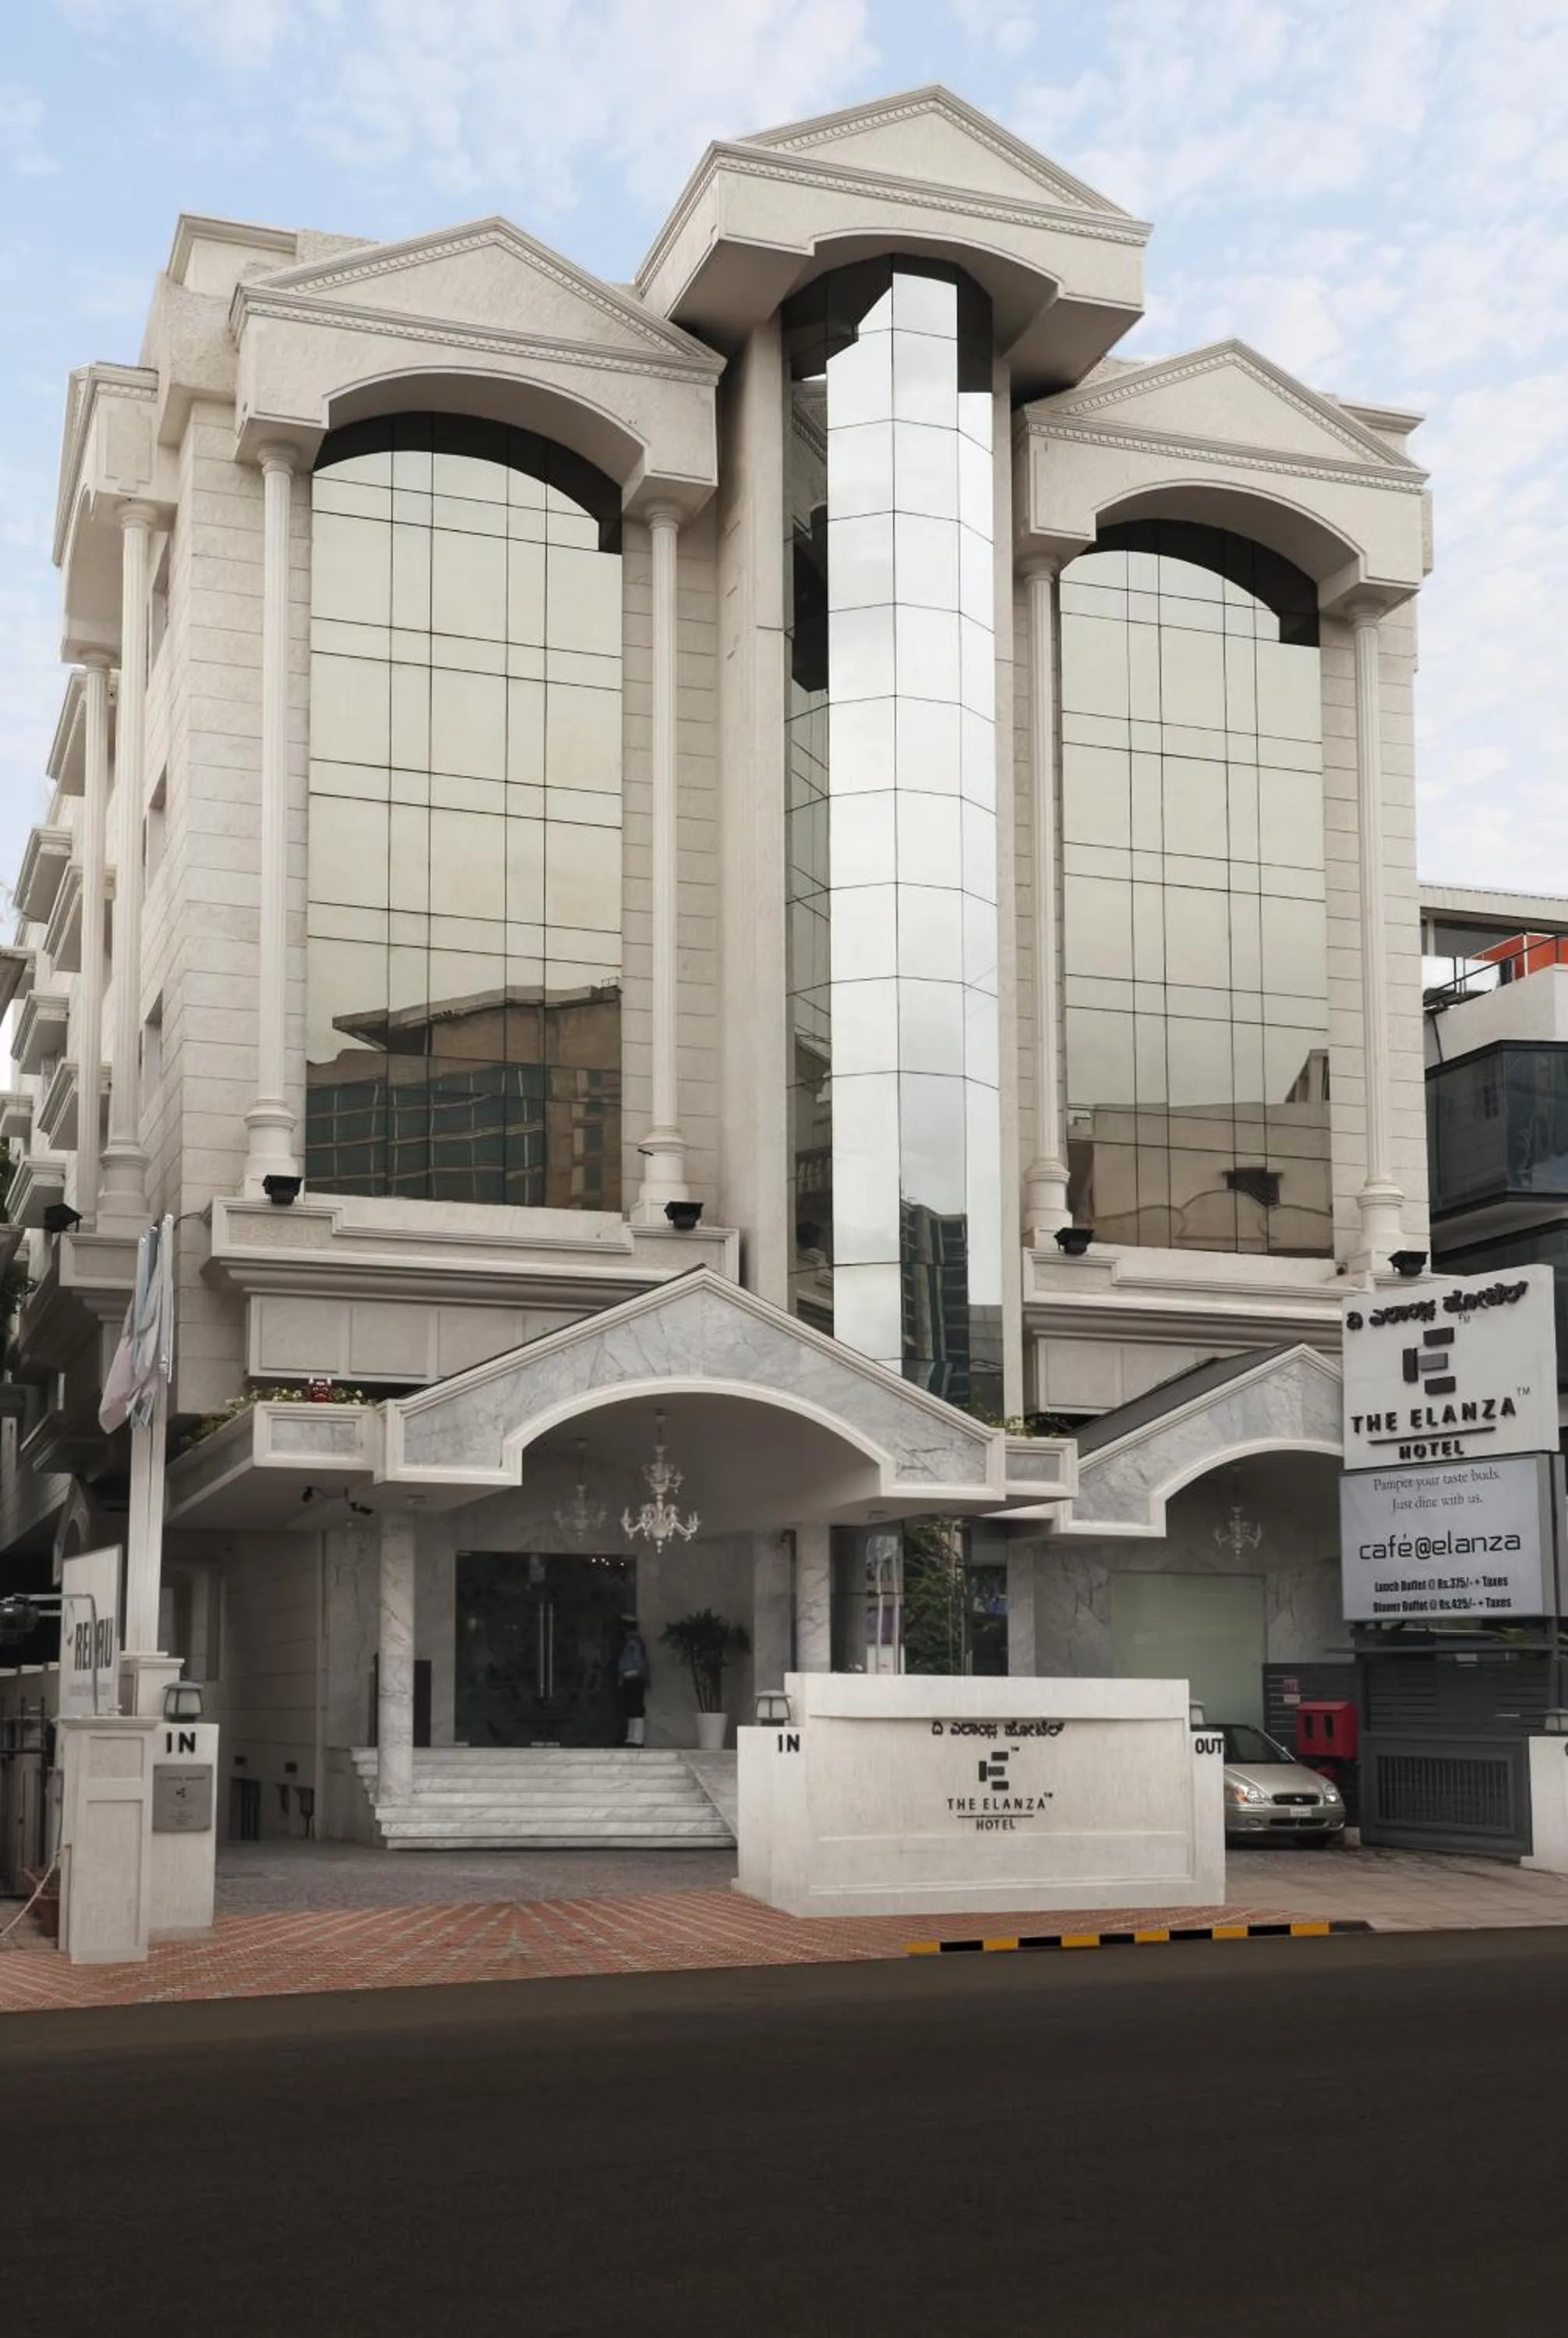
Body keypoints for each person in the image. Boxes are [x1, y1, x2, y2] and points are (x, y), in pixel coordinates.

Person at [616, 1615, 650, 1746]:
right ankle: (632, 1737)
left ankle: (637, 1738)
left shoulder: (633, 1643)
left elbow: (637, 1663)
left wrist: (626, 1674)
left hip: (634, 1678)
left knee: (636, 1708)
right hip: (631, 1678)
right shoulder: (631, 1642)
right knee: (631, 1708)